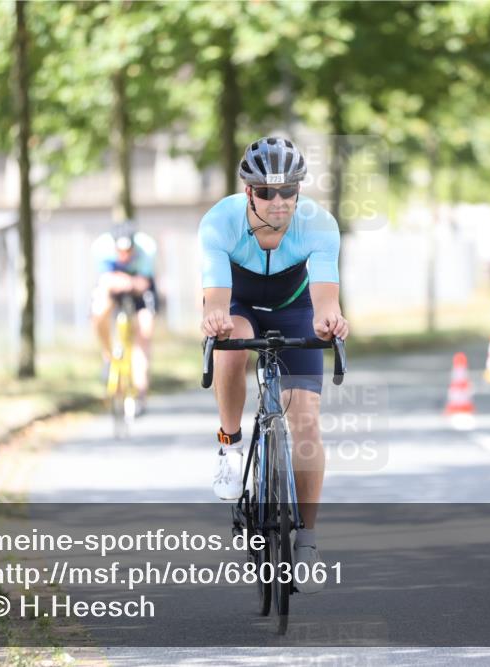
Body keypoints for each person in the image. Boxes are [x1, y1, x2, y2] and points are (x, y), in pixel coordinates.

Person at [198, 136, 348, 593]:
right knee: (234, 339)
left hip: (294, 307)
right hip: (238, 304)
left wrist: (330, 321)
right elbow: (218, 299)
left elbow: (324, 299)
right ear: (248, 192)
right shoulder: (219, 222)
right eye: (266, 192)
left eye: (288, 192)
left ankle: (306, 541)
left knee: (305, 422)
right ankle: (230, 444)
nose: (278, 201)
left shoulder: (319, 225)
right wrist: (215, 318)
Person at [90, 220, 158, 412]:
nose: (125, 256)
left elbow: (143, 283)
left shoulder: (147, 248)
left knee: (144, 332)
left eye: (128, 251)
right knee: (99, 309)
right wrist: (124, 282)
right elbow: (105, 281)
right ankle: (107, 356)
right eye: (120, 252)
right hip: (116, 284)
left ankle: (141, 390)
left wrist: (127, 282)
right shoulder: (101, 248)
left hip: (139, 287)